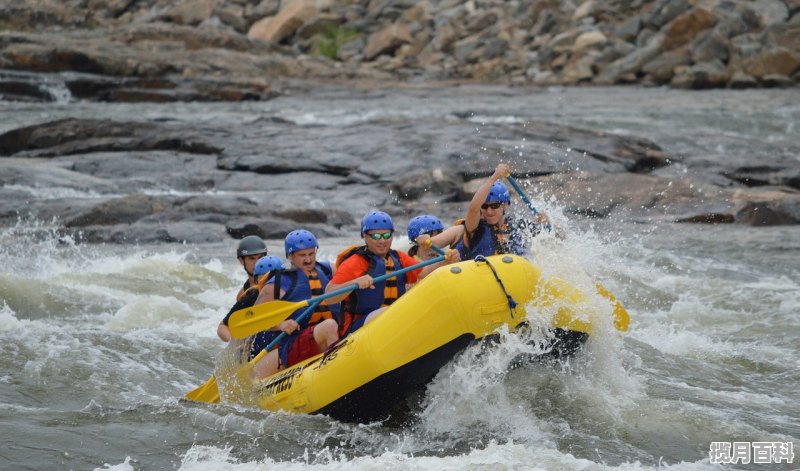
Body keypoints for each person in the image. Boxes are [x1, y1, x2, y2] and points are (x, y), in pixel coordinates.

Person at [325, 210, 460, 337]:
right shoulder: (355, 262)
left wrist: (446, 262)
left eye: (387, 235)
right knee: (395, 311)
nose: (382, 241)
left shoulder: (398, 257)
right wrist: (355, 282)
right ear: (365, 237)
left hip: (392, 321)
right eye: (376, 236)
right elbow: (329, 296)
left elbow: (423, 272)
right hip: (357, 328)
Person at [251, 229, 340, 379]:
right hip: (295, 344)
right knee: (329, 326)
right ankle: (337, 375)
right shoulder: (280, 282)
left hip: (328, 334)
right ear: (290, 256)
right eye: (302, 255)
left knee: (334, 325)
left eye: (311, 254)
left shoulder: (327, 269)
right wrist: (280, 324)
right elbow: (255, 318)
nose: (308, 260)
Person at [421, 163, 552, 260]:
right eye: (485, 207)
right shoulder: (475, 227)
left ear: (505, 205)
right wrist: (494, 177)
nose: (489, 211)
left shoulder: (519, 226)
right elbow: (473, 208)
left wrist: (547, 224)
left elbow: (557, 237)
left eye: (494, 206)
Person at [217, 254, 284, 358]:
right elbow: (223, 327)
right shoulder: (252, 296)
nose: (271, 287)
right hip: (259, 346)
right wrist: (235, 343)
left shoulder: (294, 290)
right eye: (266, 282)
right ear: (257, 282)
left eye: (275, 281)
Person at [234, 235, 269, 301]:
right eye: (252, 258)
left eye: (260, 258)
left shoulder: (277, 281)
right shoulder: (242, 295)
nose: (257, 263)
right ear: (241, 260)